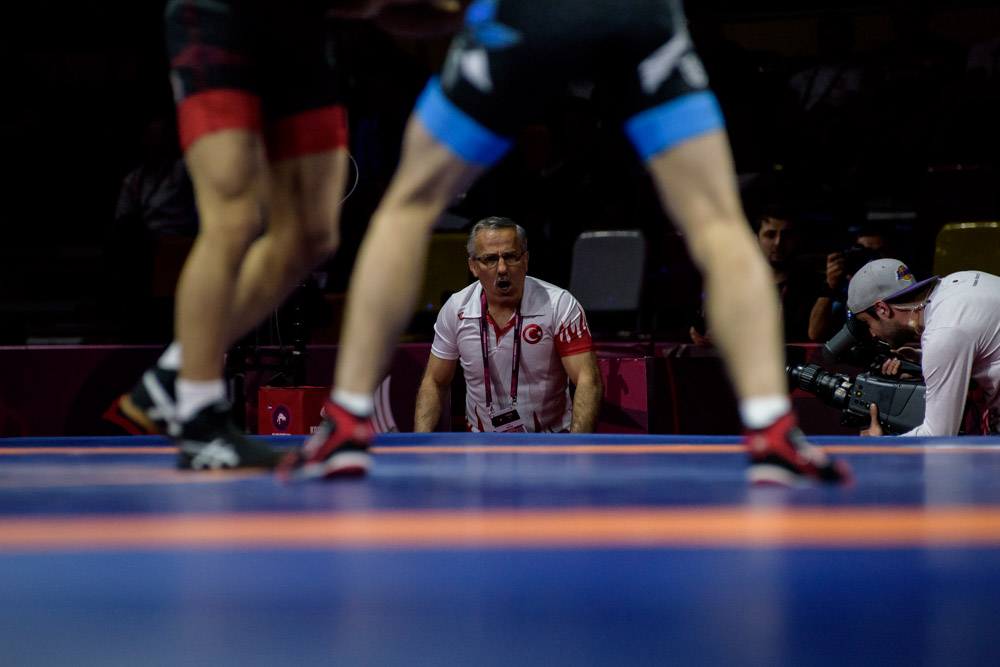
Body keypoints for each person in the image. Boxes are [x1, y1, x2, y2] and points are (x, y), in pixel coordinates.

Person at [281, 0, 851, 485]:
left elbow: (433, 9)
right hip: (637, 14)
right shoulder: (463, 308)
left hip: (526, 12)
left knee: (407, 208)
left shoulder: (555, 304)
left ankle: (348, 423)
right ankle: (772, 429)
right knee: (718, 221)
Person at [121, 0, 352, 469]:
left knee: (313, 233)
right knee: (234, 217)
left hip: (303, 28)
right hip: (221, 14)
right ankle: (199, 416)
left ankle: (172, 373)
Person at [414, 217, 603, 433]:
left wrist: (576, 446)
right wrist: (420, 442)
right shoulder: (457, 309)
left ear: (526, 260)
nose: (502, 268)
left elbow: (588, 380)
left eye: (511, 257)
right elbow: (435, 381)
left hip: (549, 443)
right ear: (473, 267)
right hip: (480, 445)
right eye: (490, 259)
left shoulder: (559, 304)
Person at [847, 260, 1000, 436]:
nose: (872, 334)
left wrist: (878, 445)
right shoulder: (961, 281)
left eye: (867, 323)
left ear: (882, 309)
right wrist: (921, 358)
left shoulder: (944, 332)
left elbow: (937, 437)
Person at [808, 221, 901, 342]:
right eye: (865, 253)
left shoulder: (905, 286)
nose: (872, 261)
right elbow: (815, 334)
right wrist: (830, 286)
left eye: (879, 253)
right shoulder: (846, 291)